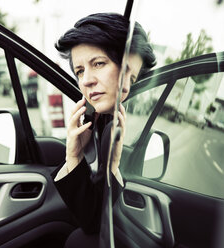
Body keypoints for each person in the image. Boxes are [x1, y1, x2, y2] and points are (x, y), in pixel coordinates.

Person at [51, 13, 156, 247]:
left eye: (98, 64)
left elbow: (98, 224)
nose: (86, 80)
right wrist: (73, 157)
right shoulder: (97, 121)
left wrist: (113, 165)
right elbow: (93, 222)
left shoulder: (132, 119)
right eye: (79, 71)